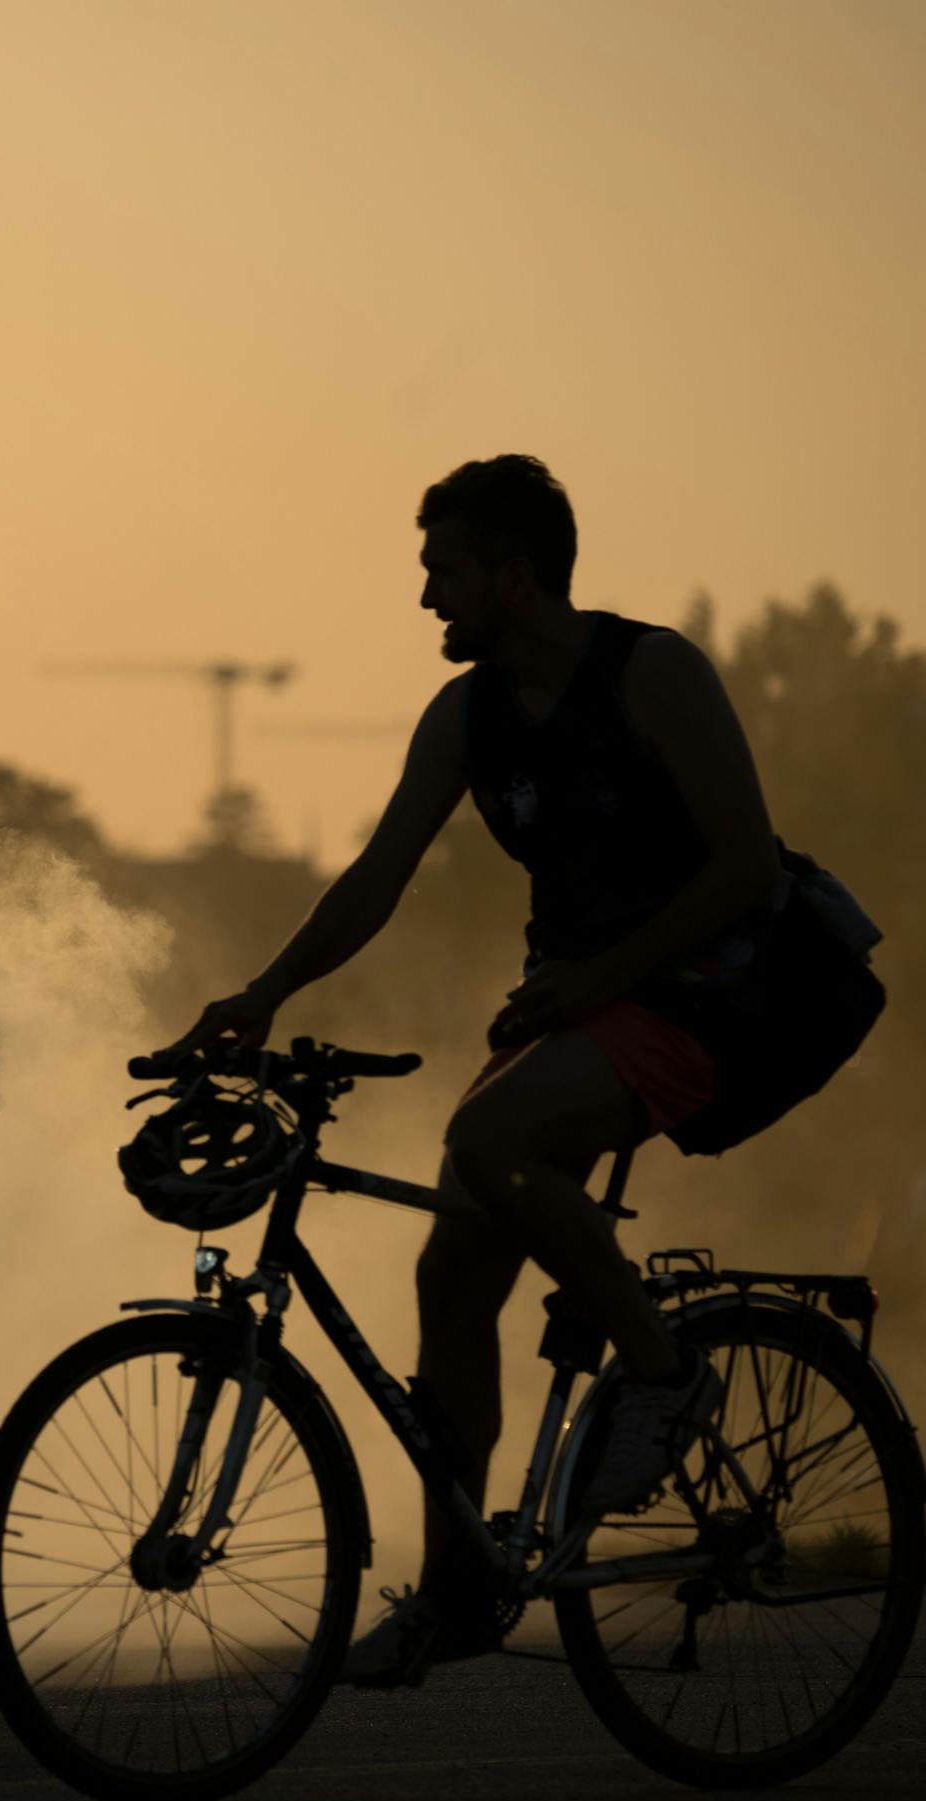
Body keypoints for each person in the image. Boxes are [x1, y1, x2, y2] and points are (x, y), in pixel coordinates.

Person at [166, 454, 779, 1688]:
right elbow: (375, 879)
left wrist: (603, 975)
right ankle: (459, 1590)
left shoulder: (650, 671)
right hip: (573, 1003)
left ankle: (663, 1373)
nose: (423, 597)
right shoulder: (465, 716)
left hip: (705, 992)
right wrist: (265, 992)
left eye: (440, 571)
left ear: (511, 573)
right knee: (449, 1274)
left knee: (489, 1142)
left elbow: (748, 865)